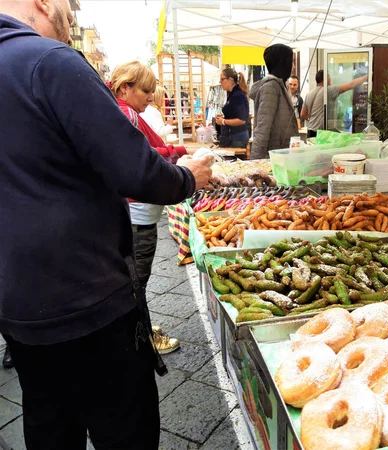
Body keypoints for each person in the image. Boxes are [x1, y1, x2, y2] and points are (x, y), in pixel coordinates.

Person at [0, 2, 212, 449]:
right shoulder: (49, 61)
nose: (70, 16)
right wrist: (189, 177)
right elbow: (134, 169)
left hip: (17, 304)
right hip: (87, 297)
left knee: (48, 419)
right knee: (125, 426)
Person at [110, 61, 186, 355]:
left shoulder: (123, 111)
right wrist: (176, 153)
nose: (150, 97)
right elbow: (139, 159)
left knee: (136, 279)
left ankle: (140, 329)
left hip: (137, 210)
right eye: (146, 90)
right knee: (137, 281)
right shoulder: (125, 113)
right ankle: (142, 340)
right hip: (137, 213)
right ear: (125, 88)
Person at [249, 43, 298, 159]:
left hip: (281, 154)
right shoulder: (270, 87)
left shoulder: (280, 85)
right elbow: (262, 127)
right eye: (292, 62)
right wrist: (255, 161)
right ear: (283, 63)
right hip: (272, 156)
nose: (294, 66)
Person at [302, 70, 368, 138]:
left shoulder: (309, 94)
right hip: (322, 133)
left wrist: (314, 120)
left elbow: (303, 114)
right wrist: (366, 77)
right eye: (329, 78)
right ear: (326, 79)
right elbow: (351, 85)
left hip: (310, 132)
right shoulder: (329, 90)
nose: (331, 80)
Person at [215, 68, 250, 148]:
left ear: (230, 80)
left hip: (237, 137)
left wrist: (223, 121)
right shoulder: (231, 94)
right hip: (232, 136)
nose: (220, 82)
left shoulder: (238, 96)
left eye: (222, 79)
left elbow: (241, 120)